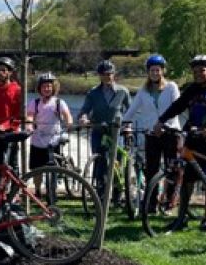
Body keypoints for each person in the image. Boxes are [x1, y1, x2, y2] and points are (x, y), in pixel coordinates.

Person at [153, 54, 206, 231]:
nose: (198, 74)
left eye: (202, 70)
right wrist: (161, 121)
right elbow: (177, 106)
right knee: (188, 180)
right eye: (195, 71)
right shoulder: (192, 89)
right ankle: (181, 218)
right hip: (194, 140)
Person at [123, 55, 180, 197]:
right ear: (148, 72)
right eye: (152, 70)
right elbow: (131, 110)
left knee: (171, 169)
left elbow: (177, 107)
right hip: (152, 134)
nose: (155, 73)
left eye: (158, 70)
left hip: (170, 133)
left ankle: (169, 201)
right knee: (151, 170)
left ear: (163, 71)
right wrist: (124, 123)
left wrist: (164, 125)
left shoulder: (171, 87)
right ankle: (151, 202)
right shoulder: (144, 91)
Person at [77, 59, 131, 194]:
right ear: (99, 75)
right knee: (99, 161)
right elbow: (84, 110)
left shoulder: (122, 91)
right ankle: (100, 191)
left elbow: (131, 111)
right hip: (98, 130)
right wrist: (84, 118)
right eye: (104, 74)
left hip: (116, 131)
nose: (107, 76)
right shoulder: (93, 93)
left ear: (114, 74)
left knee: (116, 162)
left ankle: (118, 193)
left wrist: (128, 126)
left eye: (110, 74)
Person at [25, 72, 73, 194]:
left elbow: (67, 116)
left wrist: (69, 124)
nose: (47, 89)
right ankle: (37, 190)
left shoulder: (59, 103)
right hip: (37, 139)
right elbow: (29, 116)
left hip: (54, 140)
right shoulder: (35, 103)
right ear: (39, 88)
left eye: (49, 86)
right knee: (37, 169)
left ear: (53, 88)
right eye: (44, 86)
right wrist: (29, 125)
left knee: (53, 168)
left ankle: (52, 191)